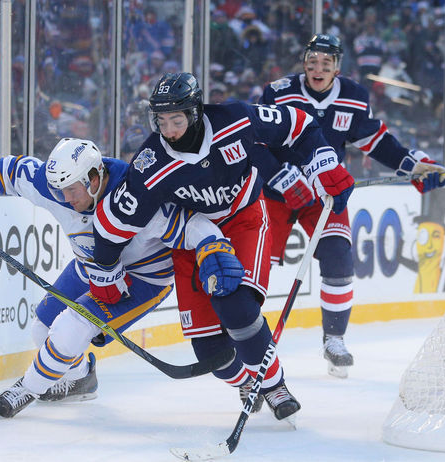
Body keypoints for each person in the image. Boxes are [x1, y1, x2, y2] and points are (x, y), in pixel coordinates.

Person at [90, 72, 354, 424]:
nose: (168, 130)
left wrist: (322, 162)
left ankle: (275, 386)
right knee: (210, 351)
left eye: (177, 120)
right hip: (189, 239)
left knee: (234, 302)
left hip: (243, 219)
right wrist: (105, 270)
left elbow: (300, 125)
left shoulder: (236, 119)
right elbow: (112, 224)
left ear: (196, 113)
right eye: (162, 121)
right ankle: (250, 382)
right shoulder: (150, 164)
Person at [0, 138, 235, 419]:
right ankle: (80, 378)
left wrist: (214, 247)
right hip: (90, 268)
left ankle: (28, 388)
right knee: (43, 329)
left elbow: (192, 225)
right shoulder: (55, 186)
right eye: (60, 190)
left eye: (72, 189)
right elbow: (3, 170)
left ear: (94, 177)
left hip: (142, 279)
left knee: (70, 326)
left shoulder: (137, 195)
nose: (65, 198)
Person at [256, 34, 445, 378]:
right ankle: (250, 342)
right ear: (304, 62)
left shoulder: (354, 97)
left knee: (338, 255)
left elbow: (375, 140)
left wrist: (412, 165)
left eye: (326, 64)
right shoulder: (279, 92)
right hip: (278, 193)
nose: (318, 69)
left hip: (323, 195)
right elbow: (257, 142)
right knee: (257, 268)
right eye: (312, 61)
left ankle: (335, 339)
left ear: (337, 68)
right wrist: (281, 177)